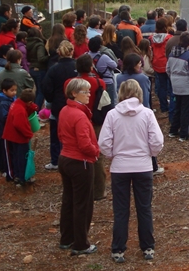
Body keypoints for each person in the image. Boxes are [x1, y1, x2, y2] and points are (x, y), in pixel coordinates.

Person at [98, 79, 164, 264]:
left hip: (120, 168)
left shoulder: (112, 115)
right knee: (144, 208)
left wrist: (114, 156)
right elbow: (157, 141)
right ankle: (148, 246)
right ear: (139, 93)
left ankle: (118, 249)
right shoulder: (147, 114)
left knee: (121, 210)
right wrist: (150, 154)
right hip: (143, 167)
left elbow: (103, 142)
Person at [57, 78, 100, 256]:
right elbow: (84, 144)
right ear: (74, 93)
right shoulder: (79, 115)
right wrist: (95, 152)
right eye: (85, 92)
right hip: (80, 161)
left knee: (68, 199)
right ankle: (81, 243)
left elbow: (60, 134)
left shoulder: (65, 110)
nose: (88, 95)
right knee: (83, 203)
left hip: (65, 158)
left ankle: (66, 238)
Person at [68, 54, 107, 200]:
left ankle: (81, 188)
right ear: (91, 66)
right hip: (95, 122)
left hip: (74, 121)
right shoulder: (99, 82)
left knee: (76, 153)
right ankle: (99, 190)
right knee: (97, 155)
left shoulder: (69, 83)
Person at [42, 40, 77, 171]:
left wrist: (51, 100)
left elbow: (46, 88)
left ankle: (55, 160)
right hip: (74, 104)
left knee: (56, 134)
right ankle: (72, 158)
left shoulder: (53, 69)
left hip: (58, 105)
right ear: (72, 51)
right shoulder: (76, 67)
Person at [167, 32, 189, 141]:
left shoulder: (172, 54)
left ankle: (173, 130)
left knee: (178, 107)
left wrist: (174, 78)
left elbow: (167, 69)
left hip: (175, 84)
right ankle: (184, 134)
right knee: (186, 110)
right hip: (187, 86)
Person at [2, 88, 38, 186]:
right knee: (23, 158)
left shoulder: (17, 103)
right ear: (29, 101)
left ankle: (18, 175)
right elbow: (19, 124)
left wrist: (32, 107)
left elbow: (29, 109)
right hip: (19, 138)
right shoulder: (20, 110)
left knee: (17, 157)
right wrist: (29, 134)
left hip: (13, 136)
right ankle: (23, 178)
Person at [0, 78, 17, 176]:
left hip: (10, 132)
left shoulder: (11, 100)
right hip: (5, 133)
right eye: (12, 90)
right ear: (4, 91)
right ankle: (7, 170)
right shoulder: (3, 104)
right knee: (6, 152)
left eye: (15, 90)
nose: (14, 92)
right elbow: (6, 118)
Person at [150, 19, 174, 118]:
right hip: (167, 63)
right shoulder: (169, 37)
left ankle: (163, 106)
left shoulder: (152, 38)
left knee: (161, 86)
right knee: (172, 86)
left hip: (157, 63)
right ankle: (172, 105)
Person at [88, 36, 119, 107]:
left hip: (92, 81)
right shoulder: (104, 57)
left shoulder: (86, 56)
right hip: (107, 82)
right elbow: (114, 65)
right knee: (110, 103)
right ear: (99, 47)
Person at [26, 28, 49, 109]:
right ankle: (36, 109)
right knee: (41, 91)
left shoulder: (28, 44)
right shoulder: (39, 44)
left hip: (32, 68)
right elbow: (41, 58)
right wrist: (49, 57)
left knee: (38, 90)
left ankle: (34, 107)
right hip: (40, 69)